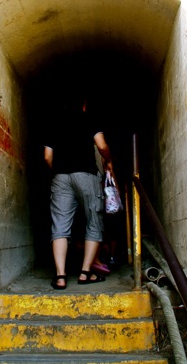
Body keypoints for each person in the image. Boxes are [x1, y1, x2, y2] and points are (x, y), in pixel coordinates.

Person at [44, 95, 115, 289]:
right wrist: (108, 161)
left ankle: (60, 276)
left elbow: (47, 157)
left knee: (60, 224)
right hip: (86, 174)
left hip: (61, 177)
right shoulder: (89, 119)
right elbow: (101, 146)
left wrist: (59, 172)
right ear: (84, 105)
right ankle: (85, 273)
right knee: (94, 218)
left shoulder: (54, 123)